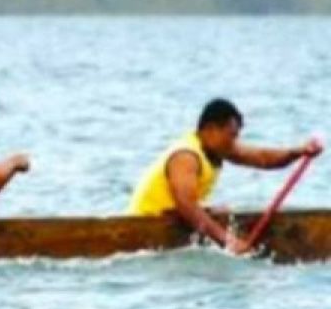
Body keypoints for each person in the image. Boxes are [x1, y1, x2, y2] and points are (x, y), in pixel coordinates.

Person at [128, 98, 323, 254]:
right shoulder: (186, 157)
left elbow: (263, 158)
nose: (234, 143)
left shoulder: (219, 147)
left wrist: (298, 152)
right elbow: (186, 205)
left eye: (236, 136)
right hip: (145, 225)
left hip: (173, 218)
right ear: (210, 129)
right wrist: (227, 241)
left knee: (220, 211)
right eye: (231, 135)